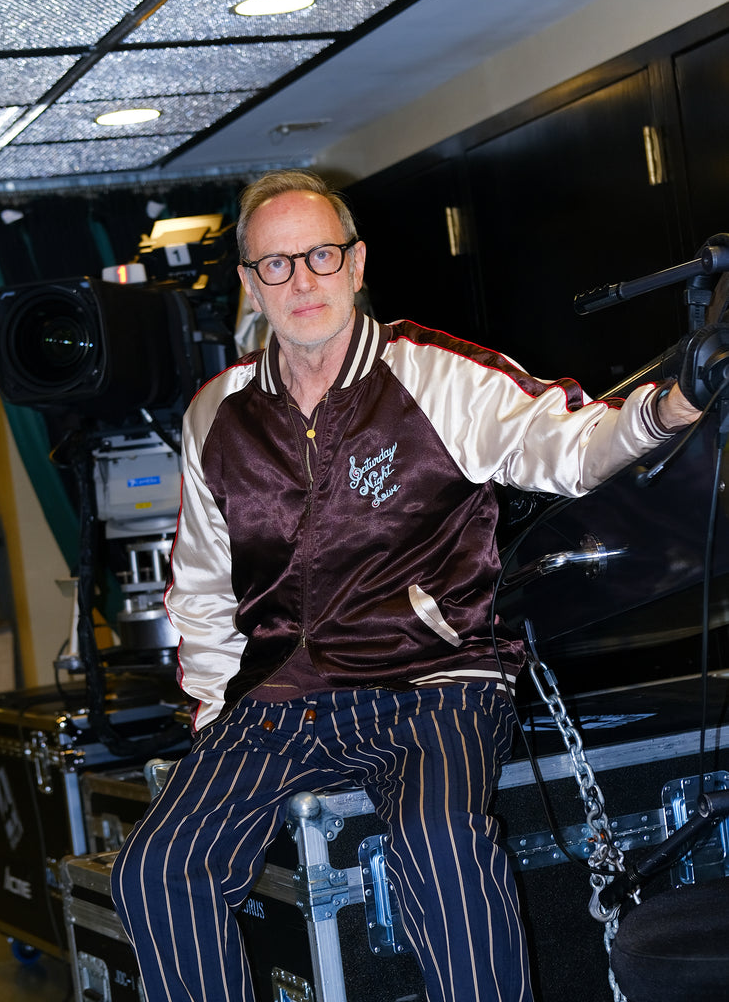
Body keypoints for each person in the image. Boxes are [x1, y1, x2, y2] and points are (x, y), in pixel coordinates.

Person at [112, 169, 701, 1002]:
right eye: (276, 264)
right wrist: (216, 720)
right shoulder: (216, 413)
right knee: (153, 871)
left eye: (319, 256)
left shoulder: (438, 375)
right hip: (278, 694)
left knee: (440, 845)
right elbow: (202, 589)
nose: (301, 281)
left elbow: (567, 448)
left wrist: (668, 409)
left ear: (355, 264)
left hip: (431, 679)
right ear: (250, 282)